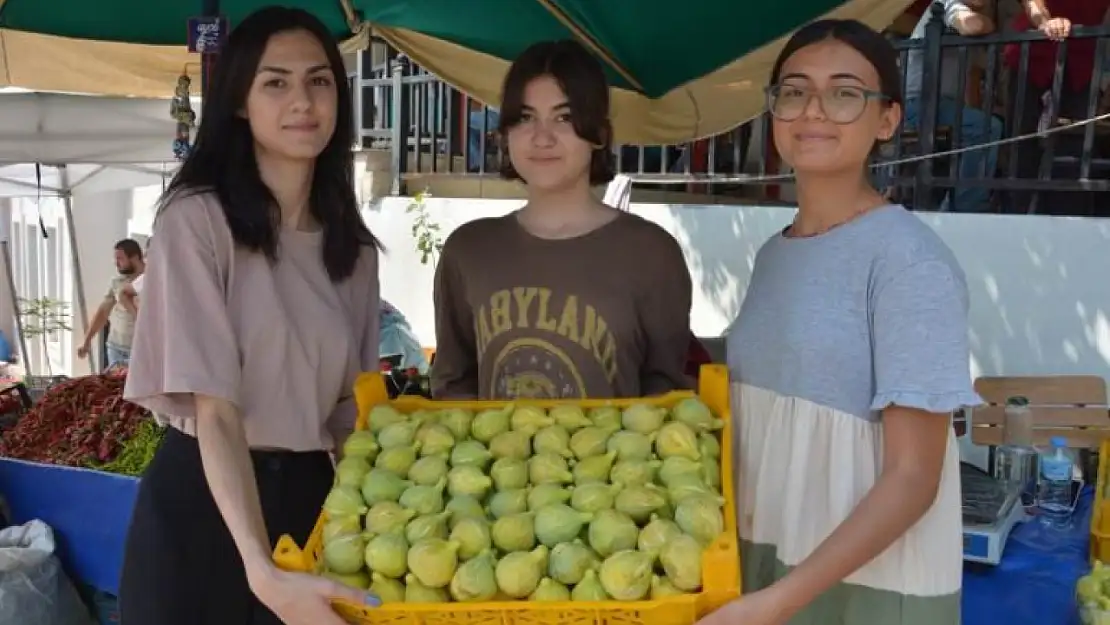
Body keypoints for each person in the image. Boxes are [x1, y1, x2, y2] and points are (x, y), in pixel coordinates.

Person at [701, 20, 979, 625]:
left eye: (845, 92)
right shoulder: (776, 253)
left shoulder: (910, 261)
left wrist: (776, 604)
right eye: (795, 91)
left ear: (886, 120)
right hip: (770, 563)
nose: (814, 110)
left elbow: (913, 478)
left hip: (864, 590)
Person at [117, 7, 382, 625]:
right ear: (239, 101)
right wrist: (259, 569)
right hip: (204, 505)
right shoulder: (194, 222)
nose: (303, 101)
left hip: (311, 505)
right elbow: (216, 410)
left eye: (319, 81)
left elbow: (352, 423)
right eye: (276, 82)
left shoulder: (355, 251)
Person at [431, 39, 692, 400]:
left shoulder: (652, 254)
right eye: (525, 117)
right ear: (505, 133)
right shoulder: (469, 250)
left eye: (564, 117)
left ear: (599, 134)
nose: (542, 137)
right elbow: (451, 386)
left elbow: (668, 396)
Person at [1004, 0, 1110, 211]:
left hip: (1082, 59)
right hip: (1033, 53)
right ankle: (1019, 218)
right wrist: (1045, 22)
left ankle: (1066, 220)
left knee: (1076, 144)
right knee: (1022, 140)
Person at [903, 0, 1002, 212]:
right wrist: (990, 23)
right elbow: (972, 25)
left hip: (941, 106)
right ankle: (967, 205)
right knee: (987, 127)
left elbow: (969, 79)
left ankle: (955, 202)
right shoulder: (945, 3)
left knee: (982, 126)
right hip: (918, 104)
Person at [76, 239, 144, 367]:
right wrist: (87, 341)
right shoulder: (117, 282)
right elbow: (102, 313)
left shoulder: (151, 280)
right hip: (116, 348)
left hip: (140, 350)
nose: (116, 263)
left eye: (120, 259)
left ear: (134, 257)